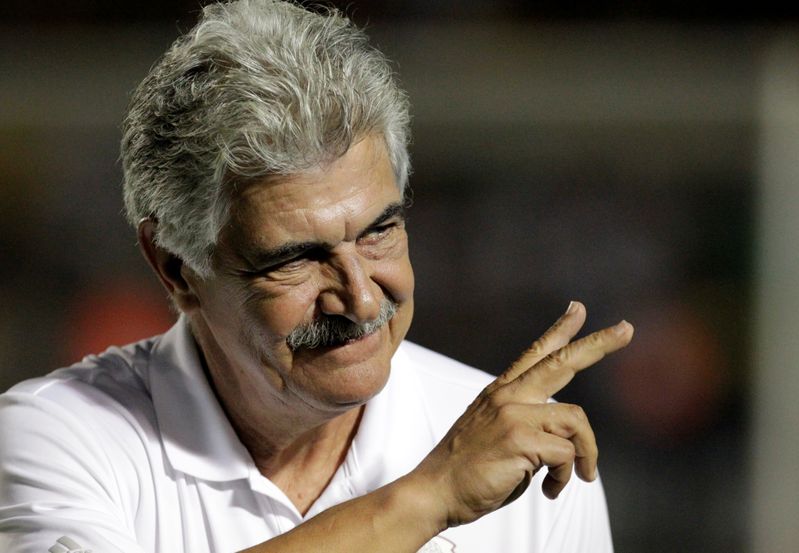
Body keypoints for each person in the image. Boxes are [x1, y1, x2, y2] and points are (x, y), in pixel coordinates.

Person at [0, 1, 633, 552]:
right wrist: (429, 497)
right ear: (175, 266)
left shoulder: (529, 452)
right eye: (296, 259)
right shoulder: (53, 437)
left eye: (379, 231)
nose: (359, 298)